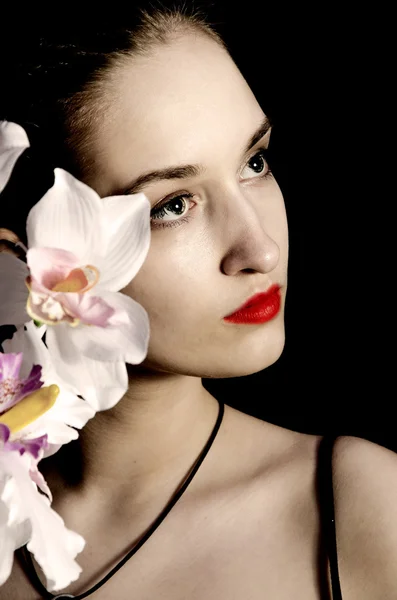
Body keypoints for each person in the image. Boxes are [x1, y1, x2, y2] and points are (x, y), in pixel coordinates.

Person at [0, 4, 396, 599]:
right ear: (23, 251)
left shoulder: (363, 509)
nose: (259, 250)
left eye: (254, 163)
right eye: (174, 205)